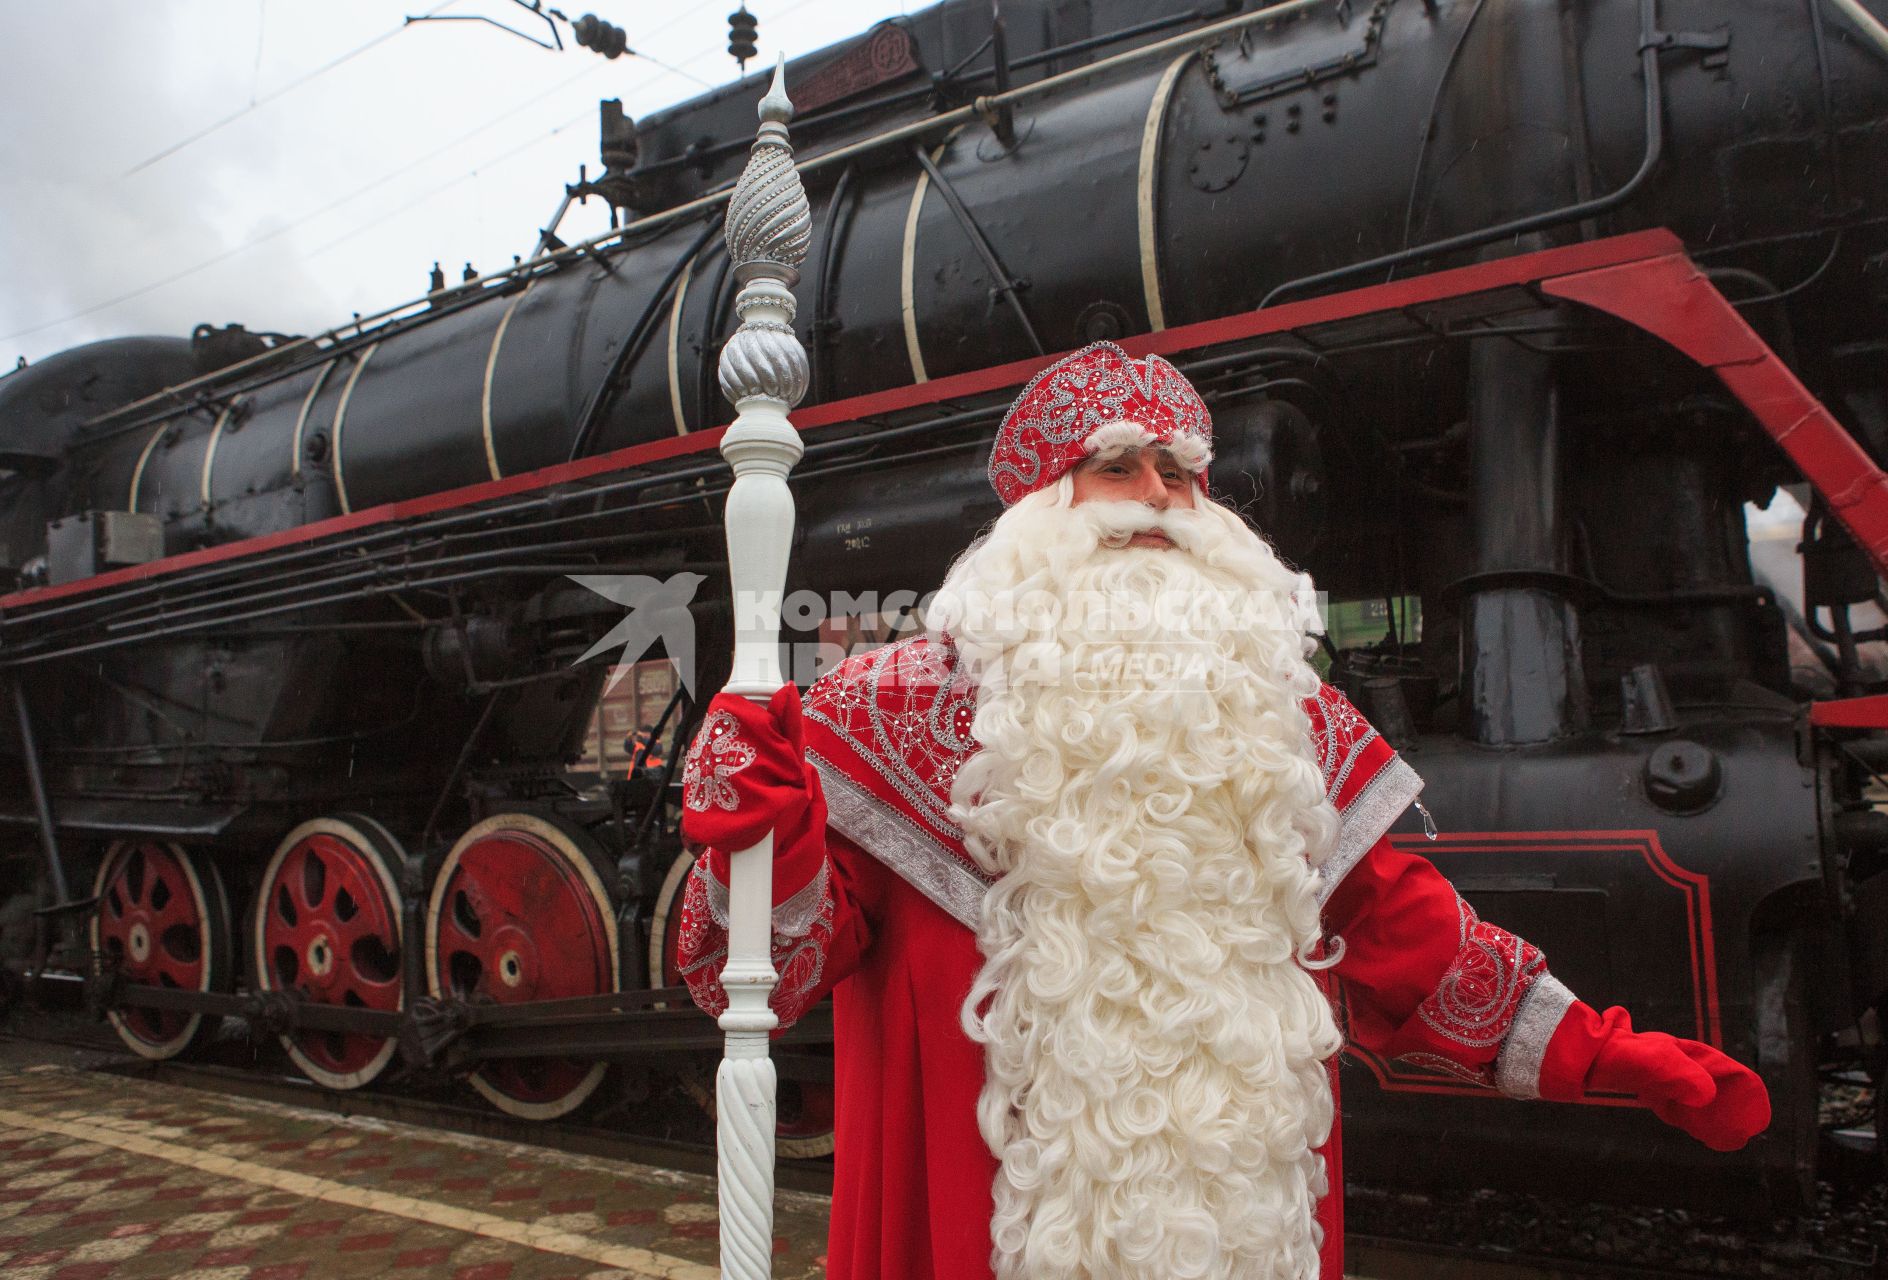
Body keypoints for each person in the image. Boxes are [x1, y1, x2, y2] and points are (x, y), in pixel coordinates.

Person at [672, 341, 1769, 1280]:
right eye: (1113, 465)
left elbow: (1411, 938)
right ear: (1039, 510)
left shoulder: (1287, 719)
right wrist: (754, 834)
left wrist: (1607, 1053)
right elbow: (758, 973)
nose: (1156, 493)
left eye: (1180, 472)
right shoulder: (885, 714)